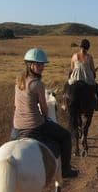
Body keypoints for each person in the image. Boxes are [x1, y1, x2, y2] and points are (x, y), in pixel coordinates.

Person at [13, 48, 78, 178]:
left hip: (17, 126)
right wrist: (45, 117)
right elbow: (44, 108)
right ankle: (66, 170)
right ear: (29, 64)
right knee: (65, 136)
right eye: (38, 64)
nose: (41, 67)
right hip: (34, 126)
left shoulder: (19, 80)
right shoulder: (38, 84)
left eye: (42, 64)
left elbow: (15, 104)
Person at [68, 39, 98, 111]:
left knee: (66, 87)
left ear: (80, 47)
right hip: (87, 80)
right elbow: (92, 70)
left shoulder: (74, 56)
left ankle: (64, 104)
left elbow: (71, 69)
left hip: (75, 80)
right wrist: (95, 70)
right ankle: (97, 105)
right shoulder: (89, 57)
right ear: (88, 48)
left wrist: (69, 78)